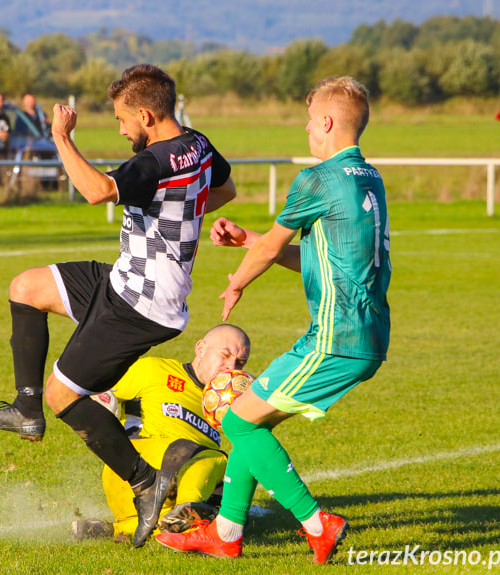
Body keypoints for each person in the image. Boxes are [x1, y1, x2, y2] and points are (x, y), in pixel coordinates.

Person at [0, 64, 237, 548]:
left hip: (141, 305)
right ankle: (25, 409)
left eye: (121, 119)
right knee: (26, 287)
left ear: (146, 113)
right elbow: (225, 189)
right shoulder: (196, 144)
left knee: (64, 397)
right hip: (122, 279)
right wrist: (185, 217)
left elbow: (96, 191)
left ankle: (144, 480)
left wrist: (62, 138)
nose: (120, 129)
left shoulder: (155, 160)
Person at [155, 76, 391, 564]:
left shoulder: (318, 178)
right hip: (367, 337)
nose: (307, 130)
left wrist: (237, 280)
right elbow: (318, 258)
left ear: (325, 122)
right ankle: (226, 532)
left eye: (309, 121)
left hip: (333, 339)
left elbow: (272, 247)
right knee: (249, 422)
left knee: (238, 422)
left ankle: (315, 522)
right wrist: (249, 242)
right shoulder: (369, 179)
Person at [72, 324, 251, 542]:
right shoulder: (153, 370)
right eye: (225, 355)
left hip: (154, 494)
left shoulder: (225, 405)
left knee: (232, 505)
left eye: (240, 362)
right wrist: (102, 402)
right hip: (138, 471)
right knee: (217, 458)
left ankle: (119, 529)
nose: (231, 366)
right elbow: (92, 393)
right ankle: (189, 508)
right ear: (201, 348)